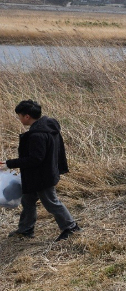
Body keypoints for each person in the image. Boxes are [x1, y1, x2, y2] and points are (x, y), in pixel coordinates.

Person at [2, 100, 81, 242]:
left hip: (42, 177)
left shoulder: (37, 135)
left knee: (52, 203)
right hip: (42, 174)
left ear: (27, 116)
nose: (19, 119)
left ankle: (71, 227)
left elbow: (35, 159)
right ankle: (25, 230)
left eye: (19, 116)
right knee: (27, 200)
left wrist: (9, 164)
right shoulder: (48, 127)